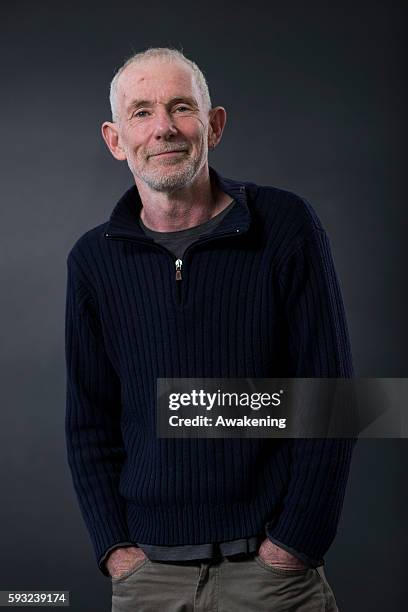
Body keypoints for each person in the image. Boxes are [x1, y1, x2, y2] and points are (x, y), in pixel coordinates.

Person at [65, 47, 355, 611]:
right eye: (142, 112)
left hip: (272, 575)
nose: (164, 128)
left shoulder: (286, 225)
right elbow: (88, 423)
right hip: (148, 575)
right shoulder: (91, 261)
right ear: (115, 139)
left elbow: (333, 399)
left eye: (181, 107)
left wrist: (293, 545)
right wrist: (117, 553)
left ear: (214, 125)